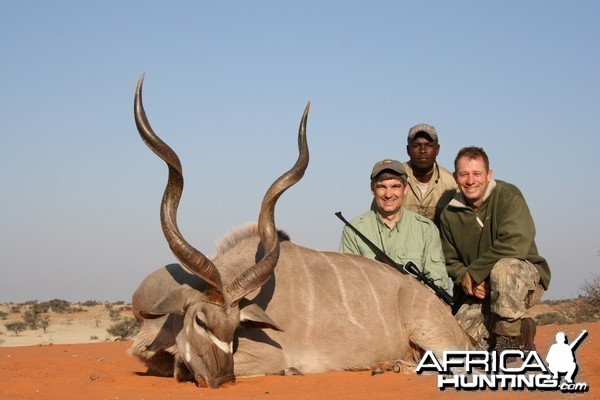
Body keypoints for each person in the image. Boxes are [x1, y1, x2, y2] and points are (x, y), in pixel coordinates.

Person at [439, 146, 551, 352]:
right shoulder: (448, 214)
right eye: (464, 174)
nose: (471, 180)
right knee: (458, 340)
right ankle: (523, 328)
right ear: (455, 177)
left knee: (504, 270)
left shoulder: (508, 195)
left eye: (477, 174)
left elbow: (516, 242)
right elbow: (450, 260)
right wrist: (467, 280)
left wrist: (475, 273)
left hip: (521, 279)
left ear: (489, 175)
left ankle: (508, 340)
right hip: (480, 290)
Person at [340, 158, 449, 290]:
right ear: (372, 189)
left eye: (395, 186)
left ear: (405, 189)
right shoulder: (353, 230)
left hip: (415, 306)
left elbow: (438, 282)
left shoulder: (426, 230)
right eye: (382, 187)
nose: (388, 194)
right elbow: (349, 283)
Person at [402, 123, 457, 225]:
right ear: (408, 150)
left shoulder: (451, 184)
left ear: (437, 149)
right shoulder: (395, 178)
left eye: (429, 145)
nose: (422, 150)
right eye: (416, 145)